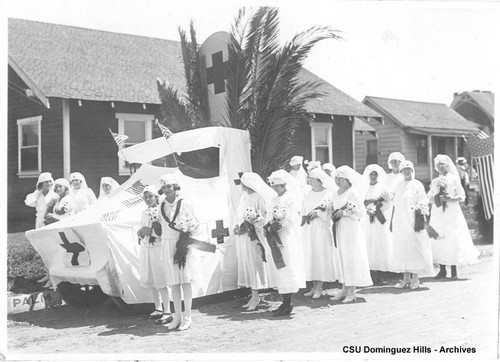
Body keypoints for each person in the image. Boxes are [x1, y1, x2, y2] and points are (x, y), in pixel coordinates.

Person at [158, 173, 207, 331]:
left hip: (183, 244)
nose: (167, 190)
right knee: (174, 282)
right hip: (168, 244)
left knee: (185, 281)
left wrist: (187, 235)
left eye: (169, 186)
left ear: (175, 187)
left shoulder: (186, 204)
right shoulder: (161, 206)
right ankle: (177, 316)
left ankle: (187, 317)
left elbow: (196, 224)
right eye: (164, 187)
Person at [428, 155, 479, 279]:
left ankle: (454, 270)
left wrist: (449, 198)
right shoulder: (435, 181)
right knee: (440, 236)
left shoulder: (454, 179)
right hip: (439, 212)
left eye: (442, 164)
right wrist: (436, 199)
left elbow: (462, 196)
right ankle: (442, 269)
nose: (440, 166)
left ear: (447, 165)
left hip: (451, 212)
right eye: (438, 164)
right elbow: (429, 197)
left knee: (452, 237)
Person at [264, 169, 306, 316]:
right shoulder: (274, 200)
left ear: (284, 185)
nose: (276, 189)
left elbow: (291, 217)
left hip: (285, 236)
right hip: (275, 235)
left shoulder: (291, 198)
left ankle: (288, 303)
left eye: (279, 186)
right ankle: (284, 301)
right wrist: (269, 224)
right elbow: (269, 214)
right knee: (279, 266)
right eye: (274, 186)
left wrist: (280, 225)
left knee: (286, 264)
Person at [233, 172, 277, 310]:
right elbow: (239, 214)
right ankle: (253, 295)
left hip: (255, 236)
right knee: (248, 264)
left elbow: (263, 216)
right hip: (244, 236)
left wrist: (252, 224)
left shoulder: (259, 197)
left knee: (255, 264)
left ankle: (256, 296)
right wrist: (237, 226)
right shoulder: (244, 197)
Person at [329, 166, 372, 303]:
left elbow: (361, 213)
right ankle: (344, 289)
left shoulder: (353, 192)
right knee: (341, 257)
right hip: (339, 228)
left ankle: (352, 292)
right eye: (337, 178)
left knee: (351, 257)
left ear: (347, 180)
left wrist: (346, 213)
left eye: (341, 179)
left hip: (351, 229)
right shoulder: (335, 194)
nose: (338, 181)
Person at [391, 161, 434, 289]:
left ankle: (415, 279)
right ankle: (405, 278)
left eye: (409, 169)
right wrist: (392, 221)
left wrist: (419, 214)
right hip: (400, 220)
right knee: (403, 247)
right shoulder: (398, 185)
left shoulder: (417, 184)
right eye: (404, 169)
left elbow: (423, 200)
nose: (406, 172)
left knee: (414, 246)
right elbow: (395, 205)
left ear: (412, 170)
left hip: (413, 220)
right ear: (401, 171)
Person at [137, 185, 172, 324]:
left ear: (156, 197)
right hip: (146, 248)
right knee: (150, 277)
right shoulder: (144, 212)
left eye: (150, 196)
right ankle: (157, 308)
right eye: (145, 197)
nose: (147, 199)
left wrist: (150, 231)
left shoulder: (161, 210)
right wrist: (141, 232)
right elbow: (140, 229)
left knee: (160, 278)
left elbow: (162, 231)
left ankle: (167, 310)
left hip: (157, 248)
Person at [300, 168, 336, 299]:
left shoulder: (328, 194)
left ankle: (319, 287)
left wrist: (319, 213)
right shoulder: (307, 193)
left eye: (311, 177)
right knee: (311, 256)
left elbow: (330, 213)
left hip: (321, 227)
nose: (308, 180)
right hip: (308, 228)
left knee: (320, 256)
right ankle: (313, 286)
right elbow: (303, 209)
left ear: (319, 180)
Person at [24, 172, 59, 286]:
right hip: (39, 223)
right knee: (43, 249)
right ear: (40, 184)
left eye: (50, 181)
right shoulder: (38, 195)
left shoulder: (54, 195)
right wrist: (37, 192)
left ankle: (53, 278)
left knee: (51, 249)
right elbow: (29, 202)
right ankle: (47, 274)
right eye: (46, 182)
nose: (49, 184)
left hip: (49, 223)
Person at [362, 164, 393, 285]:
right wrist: (367, 211)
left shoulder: (383, 188)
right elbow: (360, 203)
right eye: (371, 174)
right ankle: (370, 274)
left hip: (379, 219)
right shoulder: (363, 188)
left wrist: (376, 209)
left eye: (375, 174)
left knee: (379, 244)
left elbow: (387, 203)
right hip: (366, 219)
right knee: (368, 243)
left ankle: (380, 274)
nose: (373, 176)